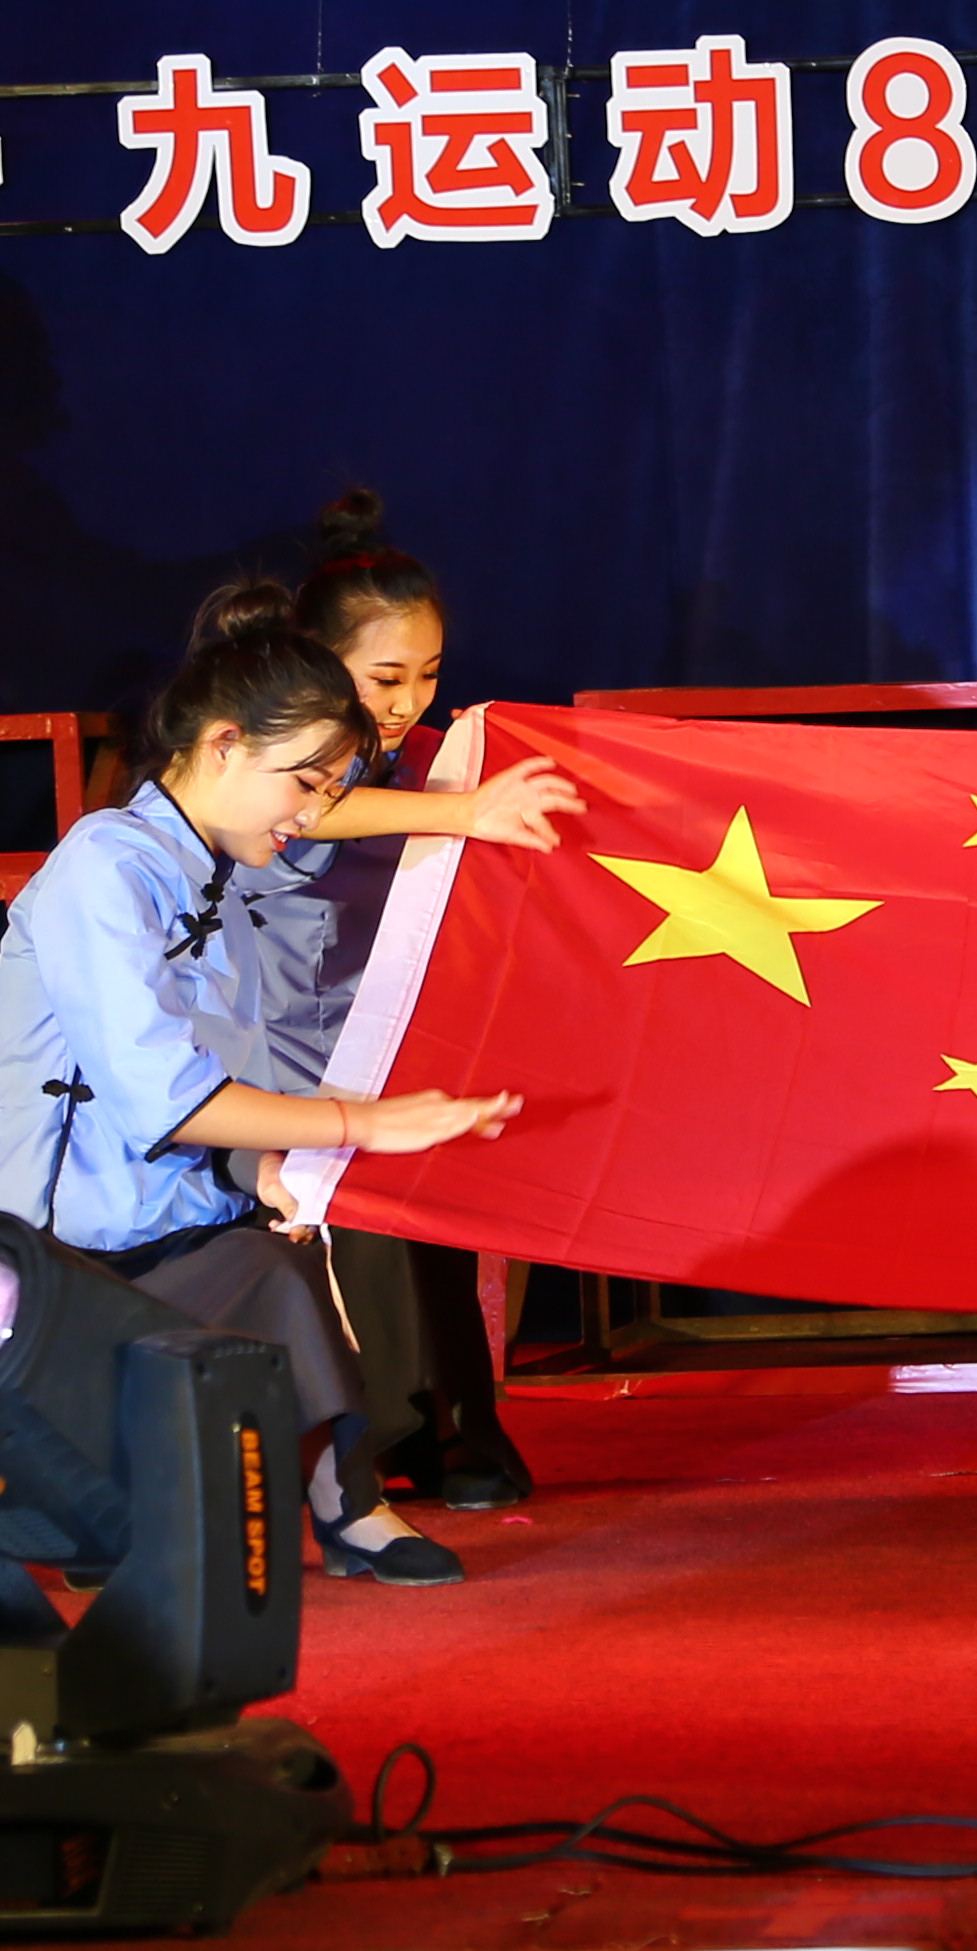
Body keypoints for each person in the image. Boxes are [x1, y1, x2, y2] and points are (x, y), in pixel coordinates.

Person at [0, 596, 522, 1587]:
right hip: (66, 1251)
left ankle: (351, 1507)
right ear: (224, 745)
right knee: (124, 1536)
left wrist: (269, 1170)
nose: (312, 815)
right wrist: (365, 1122)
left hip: (176, 1228)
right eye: (305, 783)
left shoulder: (220, 884)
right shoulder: (101, 865)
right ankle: (119, 1491)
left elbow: (221, 1092)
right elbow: (166, 1097)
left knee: (281, 1263)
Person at [215, 495, 582, 1508]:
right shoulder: (270, 750)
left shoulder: (430, 761)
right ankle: (368, 1438)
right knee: (349, 1220)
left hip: (400, 1026)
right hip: (283, 1036)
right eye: (385, 678)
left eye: (427, 675)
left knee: (436, 1207)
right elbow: (312, 813)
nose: (409, 700)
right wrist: (467, 812)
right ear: (319, 661)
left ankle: (459, 1428)